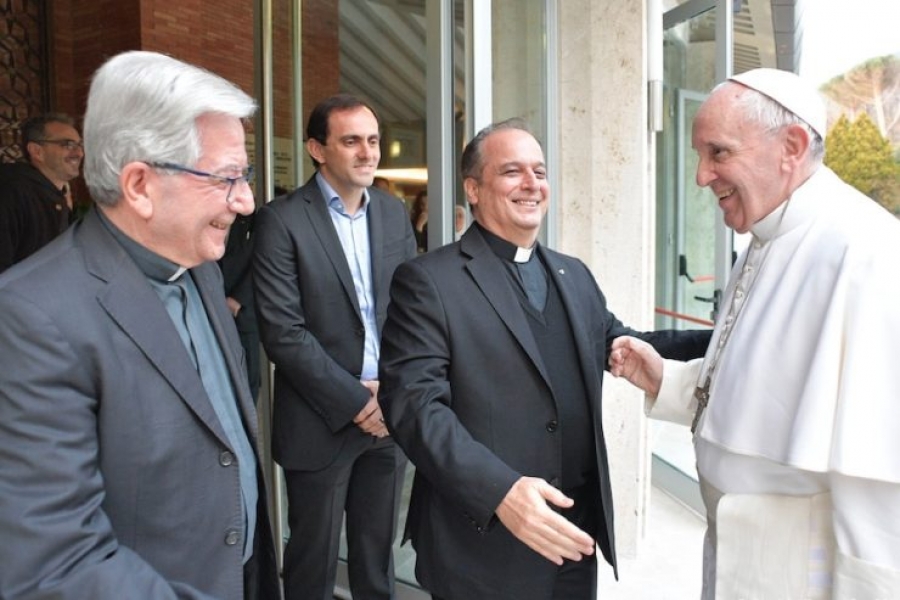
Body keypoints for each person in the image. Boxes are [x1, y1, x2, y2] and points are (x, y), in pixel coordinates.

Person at [378, 118, 711, 600]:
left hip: (573, 539)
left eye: (540, 170)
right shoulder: (429, 281)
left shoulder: (572, 275)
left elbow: (626, 343)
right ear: (473, 189)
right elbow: (414, 408)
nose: (532, 184)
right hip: (483, 545)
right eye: (512, 171)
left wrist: (727, 338)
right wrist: (500, 492)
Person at [609, 68, 900, 599]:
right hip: (744, 552)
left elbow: (879, 487)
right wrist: (667, 381)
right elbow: (764, 379)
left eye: (718, 153)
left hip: (802, 574)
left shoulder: (868, 254)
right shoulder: (765, 236)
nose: (701, 176)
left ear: (790, 146)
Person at [0, 51, 280, 600]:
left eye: (244, 176)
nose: (246, 201)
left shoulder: (198, 266)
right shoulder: (30, 317)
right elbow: (57, 561)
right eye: (227, 178)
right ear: (140, 186)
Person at [253, 93, 417, 600]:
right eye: (351, 141)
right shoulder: (280, 220)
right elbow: (284, 330)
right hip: (320, 422)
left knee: (375, 563)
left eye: (372, 140)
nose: (368, 152)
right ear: (317, 149)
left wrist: (388, 397)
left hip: (387, 422)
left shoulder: (392, 212)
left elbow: (413, 316)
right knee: (311, 566)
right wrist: (356, 402)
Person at [219, 185, 287, 404]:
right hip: (214, 308)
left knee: (247, 385)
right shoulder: (232, 220)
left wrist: (239, 301)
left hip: (243, 314)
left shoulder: (257, 222)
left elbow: (264, 263)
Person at [0, 113, 83, 273]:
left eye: (80, 145)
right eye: (67, 144)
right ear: (36, 151)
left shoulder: (56, 194)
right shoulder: (12, 192)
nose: (79, 153)